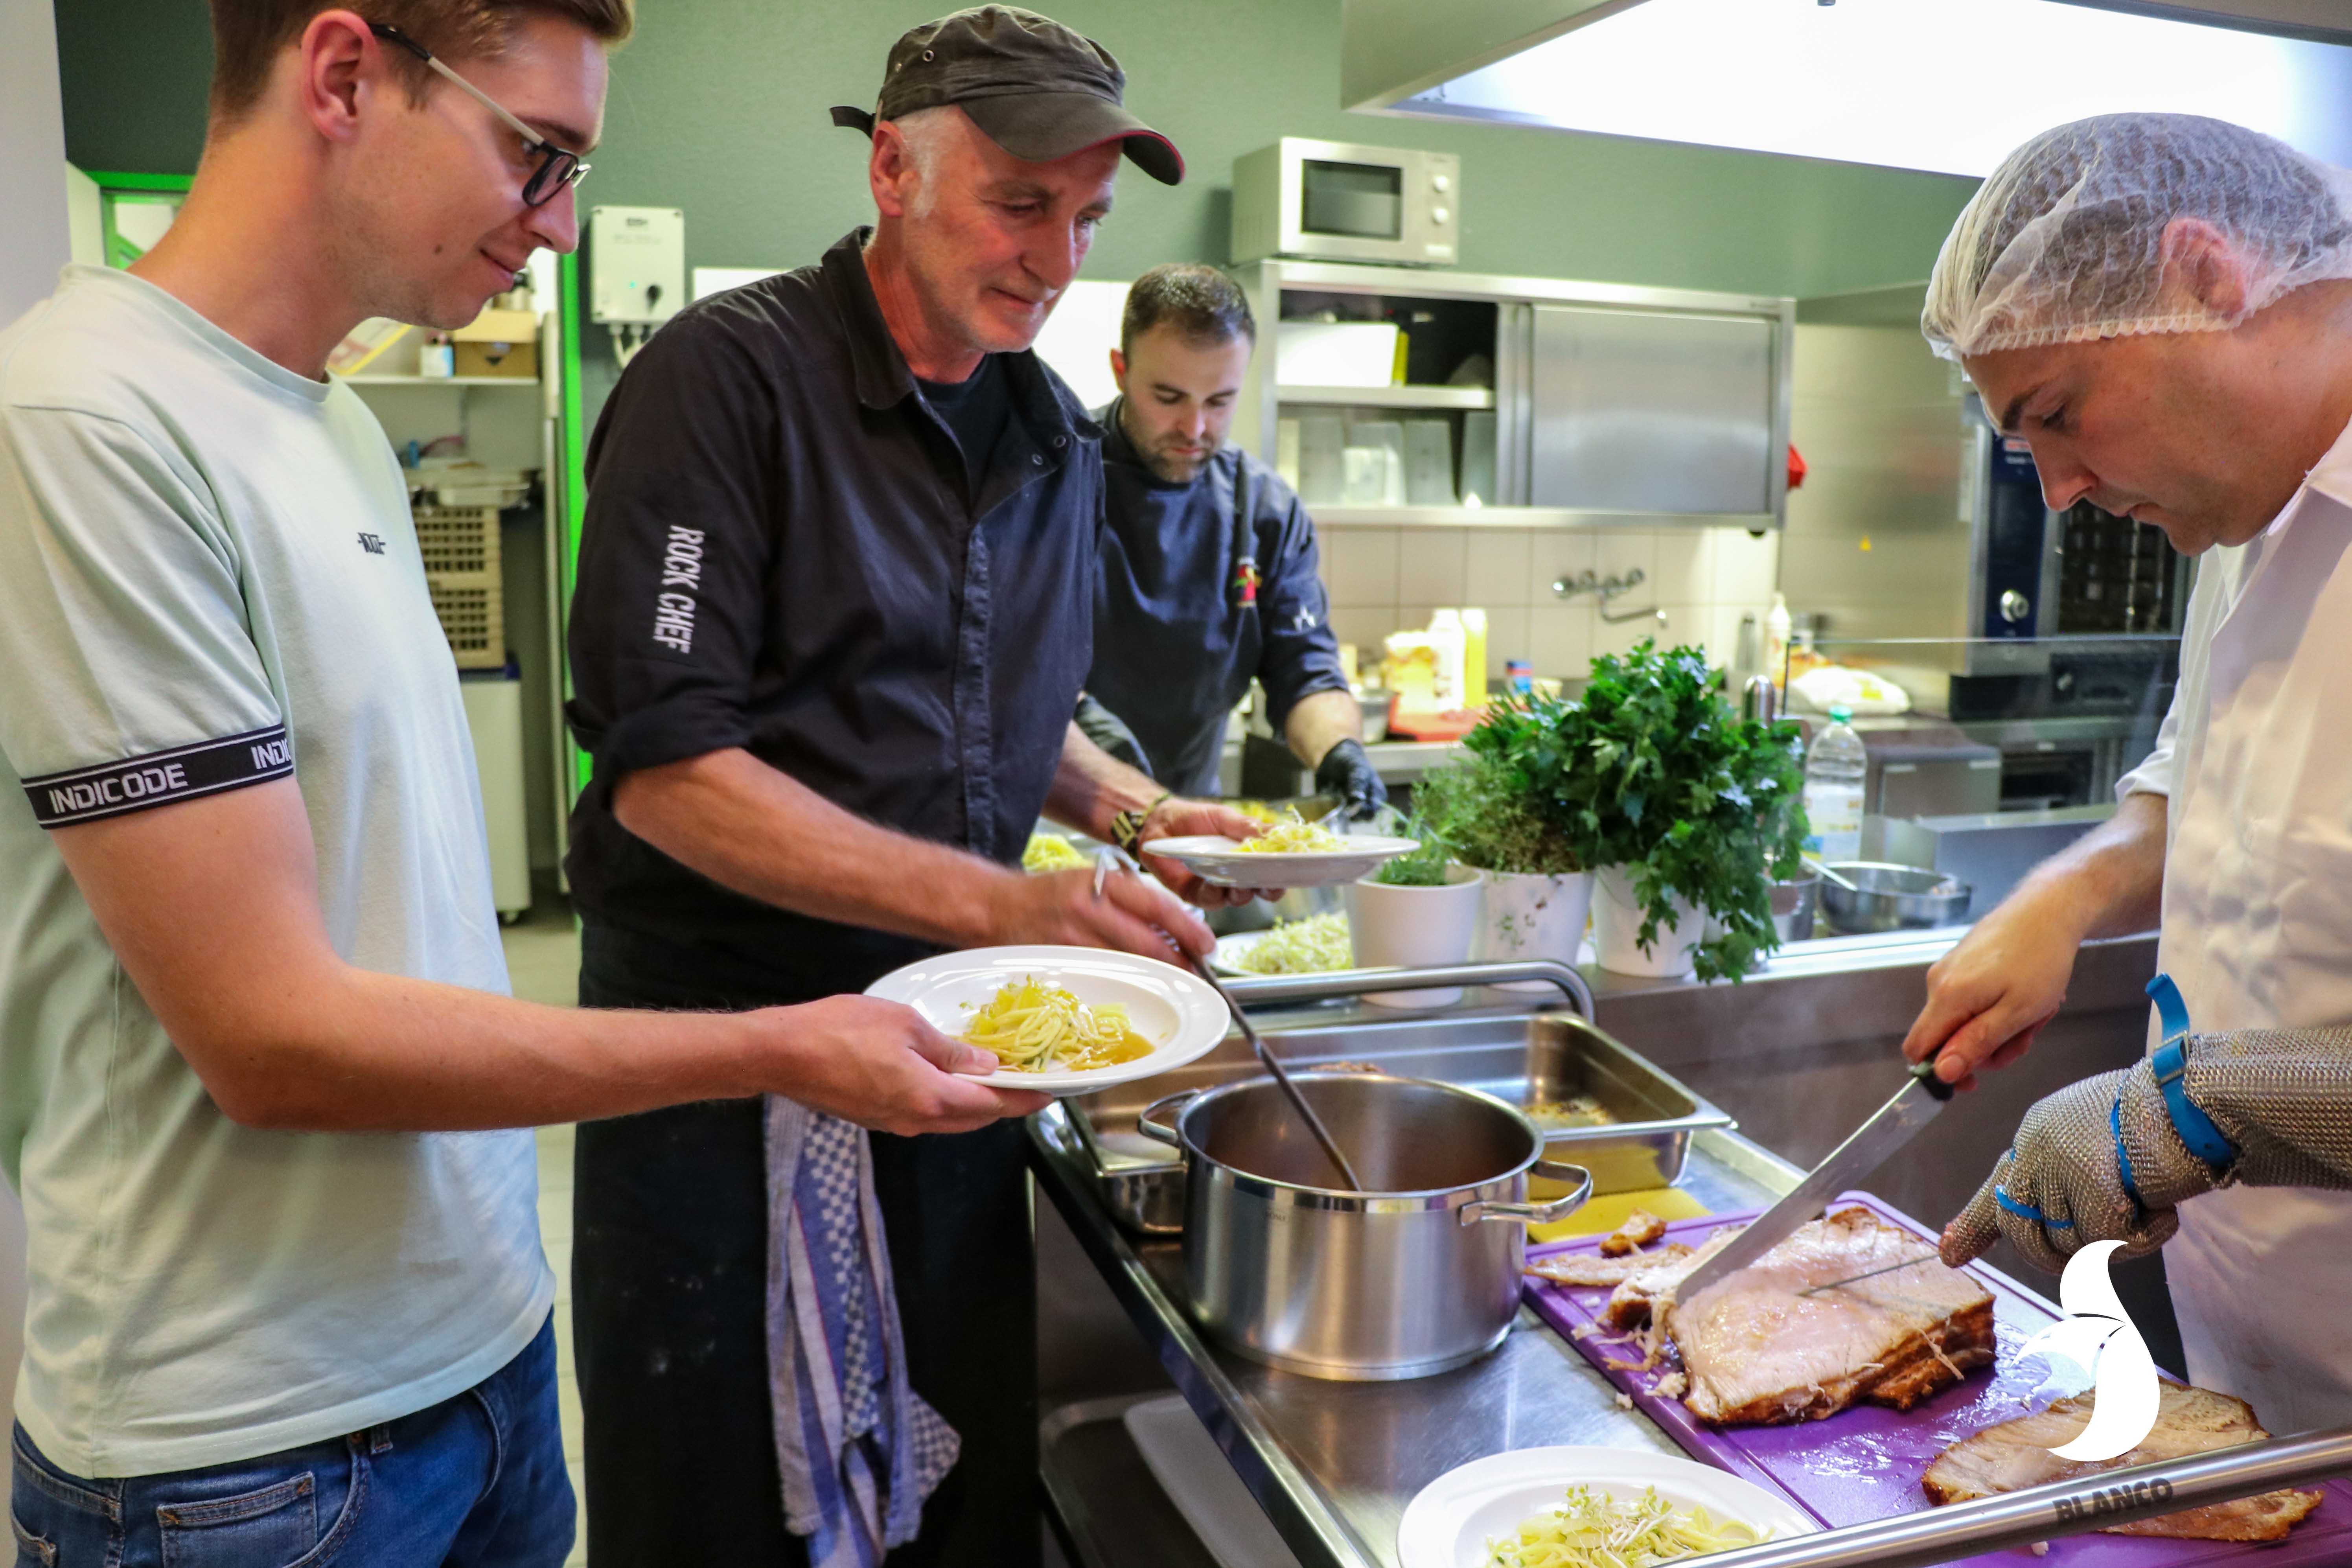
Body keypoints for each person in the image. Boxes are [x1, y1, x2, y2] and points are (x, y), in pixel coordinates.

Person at [0, 2, 1047, 1563]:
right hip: (247, 1449)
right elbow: (272, 1036)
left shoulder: (335, 422)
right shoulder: (87, 423)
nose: (559, 227)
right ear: (345, 72)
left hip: (474, 1367)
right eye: (536, 154)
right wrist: (775, 1044)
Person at [558, 9, 1266, 1565]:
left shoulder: (1043, 435)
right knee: (725, 1514)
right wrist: (1010, 898)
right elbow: (666, 775)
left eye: (1085, 217)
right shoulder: (725, 384)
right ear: (889, 167)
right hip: (726, 1074)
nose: (1057, 258)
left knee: (953, 1505)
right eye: (1021, 202)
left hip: (957, 1051)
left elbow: (992, 706)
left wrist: (1131, 811)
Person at [1907, 112, 2352, 1433]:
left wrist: (2204, 1105)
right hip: (2258, 1385)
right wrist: (2070, 888)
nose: (2053, 490)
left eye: (2055, 413)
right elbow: (2203, 765)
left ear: (2207, 276)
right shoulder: (2246, 512)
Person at [1082, 263, 1382, 816]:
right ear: (1121, 371)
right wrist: (1095, 745)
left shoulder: (1263, 509)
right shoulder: (1053, 484)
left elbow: (1304, 667)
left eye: (1219, 402)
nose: (1194, 428)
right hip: (1058, 817)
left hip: (1190, 819)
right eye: (1168, 398)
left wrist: (1340, 751)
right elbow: (1010, 664)